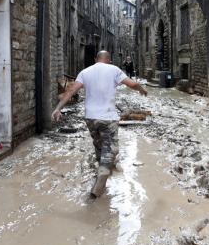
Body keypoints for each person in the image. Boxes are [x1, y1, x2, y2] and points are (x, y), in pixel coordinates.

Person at [52, 51, 148, 197]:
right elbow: (132, 84)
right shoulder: (114, 70)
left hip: (90, 117)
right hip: (107, 117)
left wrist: (58, 108)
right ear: (109, 60)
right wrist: (141, 89)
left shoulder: (85, 72)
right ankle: (102, 176)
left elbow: (71, 90)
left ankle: (101, 166)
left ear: (95, 59)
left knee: (98, 144)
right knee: (110, 148)